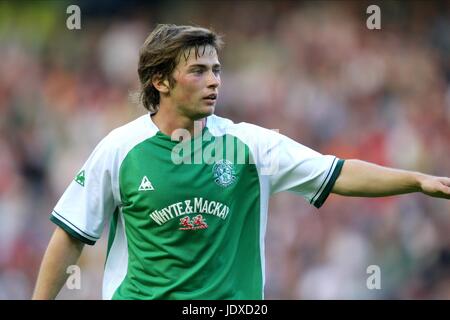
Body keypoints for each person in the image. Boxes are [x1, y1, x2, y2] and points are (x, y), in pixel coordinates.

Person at [32, 24, 450, 300]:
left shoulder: (251, 144)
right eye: (198, 70)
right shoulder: (119, 149)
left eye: (216, 69)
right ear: (160, 81)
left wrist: (417, 180)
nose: (214, 80)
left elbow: (336, 172)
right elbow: (70, 235)